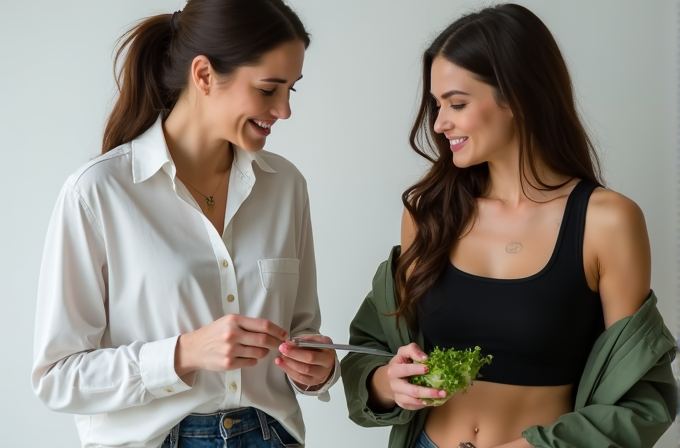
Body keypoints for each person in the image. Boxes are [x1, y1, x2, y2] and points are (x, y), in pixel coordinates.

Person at [341, 4, 676, 448]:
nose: (440, 124)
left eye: (457, 103)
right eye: (437, 105)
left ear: (518, 97)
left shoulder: (607, 221)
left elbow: (640, 397)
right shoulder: (429, 214)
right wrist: (389, 383)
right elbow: (373, 349)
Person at [31, 1, 339, 447]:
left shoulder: (286, 185)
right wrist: (184, 353)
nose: (285, 110)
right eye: (270, 89)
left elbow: (302, 327)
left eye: (292, 89)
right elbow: (57, 378)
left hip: (270, 435)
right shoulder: (98, 193)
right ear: (204, 75)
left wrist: (317, 369)